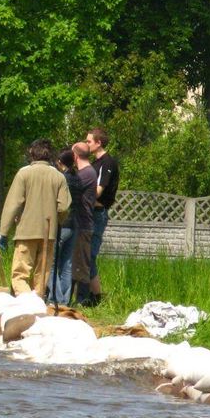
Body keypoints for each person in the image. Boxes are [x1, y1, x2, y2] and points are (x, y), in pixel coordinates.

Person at [0, 138, 71, 297]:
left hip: (26, 232)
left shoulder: (24, 173)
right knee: (41, 276)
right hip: (49, 234)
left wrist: (3, 232)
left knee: (20, 275)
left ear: (32, 153)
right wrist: (58, 220)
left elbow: (13, 204)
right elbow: (64, 207)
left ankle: (26, 305)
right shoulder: (59, 177)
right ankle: (37, 305)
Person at [87, 127, 119, 306]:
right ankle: (87, 293)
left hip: (98, 213)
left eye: (89, 141)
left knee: (90, 254)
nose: (87, 144)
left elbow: (98, 191)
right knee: (84, 254)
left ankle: (96, 296)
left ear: (98, 143)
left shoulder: (107, 163)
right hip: (91, 212)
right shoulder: (94, 163)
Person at [47, 148, 80, 305]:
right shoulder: (77, 178)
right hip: (75, 224)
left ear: (60, 163)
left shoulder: (62, 179)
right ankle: (65, 300)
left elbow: (60, 204)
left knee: (51, 264)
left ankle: (55, 298)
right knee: (67, 264)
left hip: (63, 224)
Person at [69, 140, 98, 306]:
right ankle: (77, 298)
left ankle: (82, 300)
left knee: (81, 264)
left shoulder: (86, 174)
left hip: (83, 224)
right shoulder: (88, 172)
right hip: (81, 223)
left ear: (75, 156)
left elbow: (69, 187)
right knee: (77, 262)